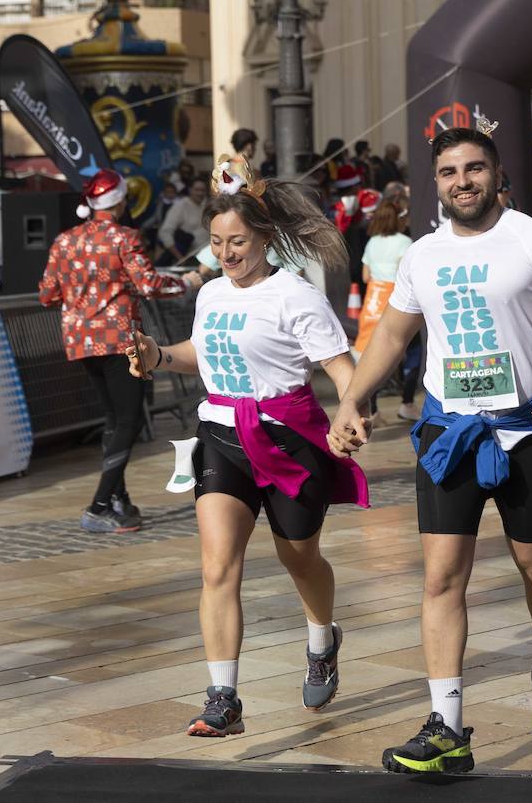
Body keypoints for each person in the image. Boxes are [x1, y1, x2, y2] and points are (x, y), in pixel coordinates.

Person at [327, 123, 532, 774]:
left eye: (475, 169)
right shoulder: (422, 255)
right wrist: (352, 398)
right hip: (448, 433)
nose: (464, 181)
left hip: (527, 429)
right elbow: (395, 336)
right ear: (438, 182)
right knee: (440, 577)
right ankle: (447, 726)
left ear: (498, 174)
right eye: (452, 172)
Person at [126, 174, 367, 737]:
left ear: (264, 238)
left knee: (299, 558)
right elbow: (201, 356)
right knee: (217, 569)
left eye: (236, 241)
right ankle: (222, 698)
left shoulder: (295, 296)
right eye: (216, 241)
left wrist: (350, 414)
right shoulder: (210, 293)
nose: (226, 253)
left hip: (289, 440)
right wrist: (157, 354)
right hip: (221, 434)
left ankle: (322, 637)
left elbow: (341, 366)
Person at [38, 169, 201, 532]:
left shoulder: (64, 241)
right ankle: (99, 504)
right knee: (130, 419)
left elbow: (47, 294)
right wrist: (187, 283)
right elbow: (149, 284)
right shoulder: (124, 237)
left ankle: (118, 499)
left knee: (114, 420)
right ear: (121, 201)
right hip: (120, 341)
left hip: (80, 341)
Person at [357, 198, 421, 423]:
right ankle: (407, 402)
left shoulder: (372, 242)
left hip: (373, 302)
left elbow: (365, 276)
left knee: (372, 354)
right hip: (397, 301)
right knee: (413, 352)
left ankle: (373, 410)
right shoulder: (405, 242)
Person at [158, 176, 209, 264]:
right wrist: (180, 257)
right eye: (197, 190)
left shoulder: (208, 206)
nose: (200, 193)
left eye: (202, 190)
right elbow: (164, 232)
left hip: (208, 258)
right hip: (189, 259)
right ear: (190, 190)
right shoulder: (180, 206)